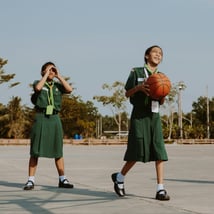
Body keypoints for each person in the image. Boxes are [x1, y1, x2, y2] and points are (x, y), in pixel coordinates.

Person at [111, 45, 170, 200]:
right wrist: (139, 88)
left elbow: (162, 101)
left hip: (154, 116)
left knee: (159, 152)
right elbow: (126, 93)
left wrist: (163, 93)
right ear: (146, 56)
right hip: (139, 114)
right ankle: (120, 177)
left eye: (161, 54)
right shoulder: (136, 72)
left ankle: (160, 189)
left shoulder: (162, 76)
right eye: (155, 52)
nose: (158, 55)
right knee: (137, 150)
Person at [23, 62, 74, 190]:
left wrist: (59, 76)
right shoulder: (38, 82)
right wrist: (45, 75)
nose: (51, 72)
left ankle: (62, 179)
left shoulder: (57, 85)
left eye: (53, 70)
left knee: (58, 149)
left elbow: (69, 89)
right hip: (41, 117)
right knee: (35, 150)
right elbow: (38, 88)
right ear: (42, 72)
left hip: (54, 118)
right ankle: (30, 180)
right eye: (48, 70)